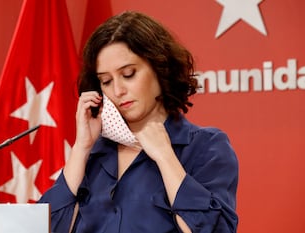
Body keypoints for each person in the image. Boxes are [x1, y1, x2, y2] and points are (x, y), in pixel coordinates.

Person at [38, 11, 238, 233]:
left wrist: (165, 156)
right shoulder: (92, 155)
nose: (117, 90)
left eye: (129, 74)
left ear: (160, 68)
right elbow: (46, 228)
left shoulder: (206, 147)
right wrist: (81, 148)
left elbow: (213, 229)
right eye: (106, 81)